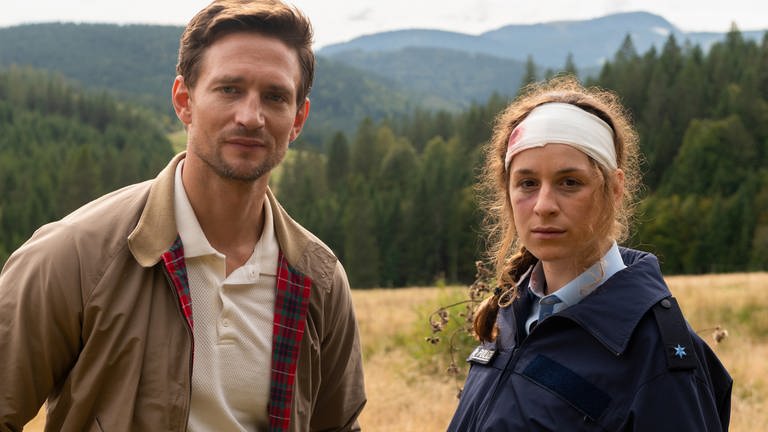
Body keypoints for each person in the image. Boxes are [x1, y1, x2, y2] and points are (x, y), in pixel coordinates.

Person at [0, 1, 366, 430]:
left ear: (298, 118)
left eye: (275, 96)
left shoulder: (318, 279)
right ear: (183, 101)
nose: (251, 116)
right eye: (229, 89)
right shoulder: (75, 255)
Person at [448, 77, 732, 431]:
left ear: (614, 188)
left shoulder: (654, 354)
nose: (544, 205)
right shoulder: (511, 319)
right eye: (527, 183)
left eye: (570, 182)